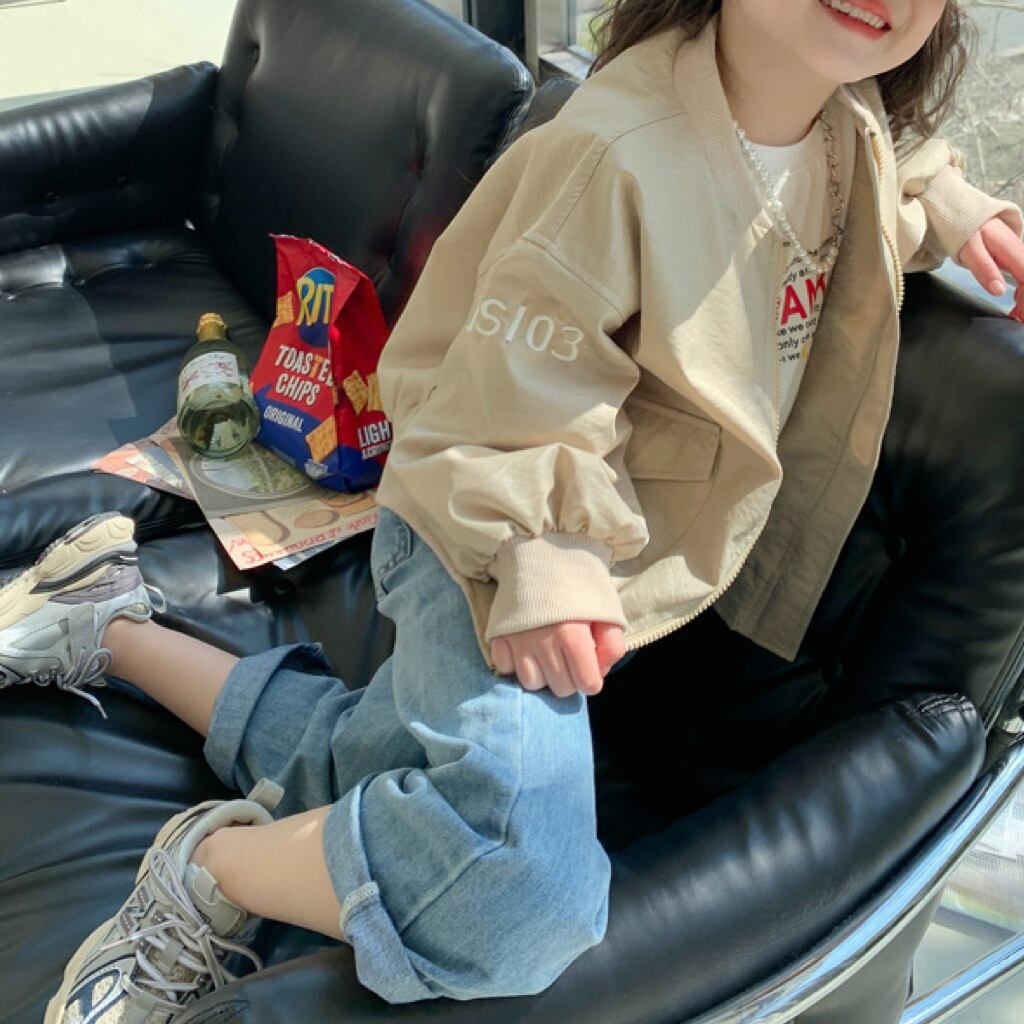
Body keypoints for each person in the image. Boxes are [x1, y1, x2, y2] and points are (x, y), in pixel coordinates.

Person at [3, 1, 1023, 1020]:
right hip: (488, 533)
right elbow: (499, 397)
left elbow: (874, 173)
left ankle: (106, 617)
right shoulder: (611, 156)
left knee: (363, 758)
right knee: (520, 894)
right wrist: (539, 562)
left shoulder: (837, 128)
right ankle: (208, 868)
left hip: (591, 558)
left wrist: (954, 205)